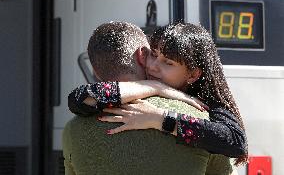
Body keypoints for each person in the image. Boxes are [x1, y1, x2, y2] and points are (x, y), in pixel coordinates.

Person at [63, 21, 235, 175]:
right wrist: (156, 87)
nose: (154, 67)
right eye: (154, 54)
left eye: (168, 62)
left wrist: (160, 119)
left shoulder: (73, 128)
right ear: (142, 55)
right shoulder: (201, 116)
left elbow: (235, 140)